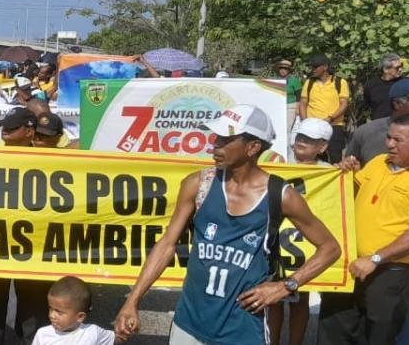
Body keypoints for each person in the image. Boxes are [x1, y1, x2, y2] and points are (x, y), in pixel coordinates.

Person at [114, 104, 341, 344]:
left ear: (252, 147)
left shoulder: (282, 195)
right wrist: (132, 301)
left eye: (226, 139)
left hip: (244, 331)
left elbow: (330, 248)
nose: (216, 144)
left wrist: (285, 286)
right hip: (187, 324)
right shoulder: (198, 184)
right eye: (217, 137)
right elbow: (167, 245)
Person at [321, 113, 409, 343]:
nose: (389, 144)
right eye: (389, 137)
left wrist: (375, 259)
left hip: (389, 273)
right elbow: (352, 195)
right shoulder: (379, 162)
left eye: (398, 140)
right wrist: (347, 173)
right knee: (335, 332)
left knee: (378, 337)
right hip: (351, 265)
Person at [0, 107, 51, 345]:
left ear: (29, 132)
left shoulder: (50, 162)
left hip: (33, 244)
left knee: (33, 310)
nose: (5, 131)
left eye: (12, 127)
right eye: (4, 126)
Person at [266, 118, 332, 345]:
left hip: (306, 242)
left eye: (310, 140)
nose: (302, 142)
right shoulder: (278, 162)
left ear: (322, 146)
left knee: (301, 297)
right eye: (301, 136)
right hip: (276, 238)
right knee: (273, 298)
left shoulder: (330, 172)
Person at [30, 277, 114, 345]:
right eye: (50, 308)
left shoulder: (93, 332)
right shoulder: (42, 334)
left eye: (58, 312)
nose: (52, 315)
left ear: (80, 317)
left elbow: (117, 338)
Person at [298, 54, 350, 162]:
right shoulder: (309, 82)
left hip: (334, 126)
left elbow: (344, 104)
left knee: (335, 157)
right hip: (313, 128)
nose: (313, 69)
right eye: (311, 67)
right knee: (313, 159)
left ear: (325, 67)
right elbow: (303, 103)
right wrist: (305, 122)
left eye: (315, 67)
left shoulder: (340, 82)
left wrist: (330, 118)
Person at [363, 53, 405, 123]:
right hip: (378, 126)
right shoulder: (370, 85)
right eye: (397, 67)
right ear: (385, 69)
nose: (400, 69)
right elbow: (367, 106)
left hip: (400, 125)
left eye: (401, 66)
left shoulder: (406, 84)